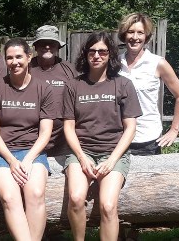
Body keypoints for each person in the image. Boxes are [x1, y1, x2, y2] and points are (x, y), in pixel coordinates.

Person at [63, 32, 141, 241]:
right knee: (76, 198)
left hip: (114, 153)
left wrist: (112, 160)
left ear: (110, 55)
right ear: (86, 54)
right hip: (82, 151)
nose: (97, 55)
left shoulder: (123, 85)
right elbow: (69, 127)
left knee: (107, 205)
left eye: (102, 51)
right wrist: (81, 157)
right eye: (92, 51)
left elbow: (131, 127)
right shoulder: (73, 85)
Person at [0, 38, 58, 241]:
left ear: (29, 57)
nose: (14, 62)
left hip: (32, 151)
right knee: (9, 197)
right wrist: (11, 161)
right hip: (0, 153)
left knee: (35, 193)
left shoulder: (43, 89)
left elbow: (45, 133)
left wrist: (27, 160)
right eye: (9, 58)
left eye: (19, 56)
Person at [117, 13, 179, 156]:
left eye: (140, 33)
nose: (135, 37)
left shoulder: (157, 63)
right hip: (118, 139)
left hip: (148, 140)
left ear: (146, 37)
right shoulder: (114, 64)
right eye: (130, 32)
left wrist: (174, 130)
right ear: (124, 35)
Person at [29, 25, 74, 161]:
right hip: (32, 138)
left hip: (63, 141)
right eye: (43, 43)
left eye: (52, 43)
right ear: (36, 47)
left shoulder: (69, 70)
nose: (47, 47)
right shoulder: (26, 68)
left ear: (58, 47)